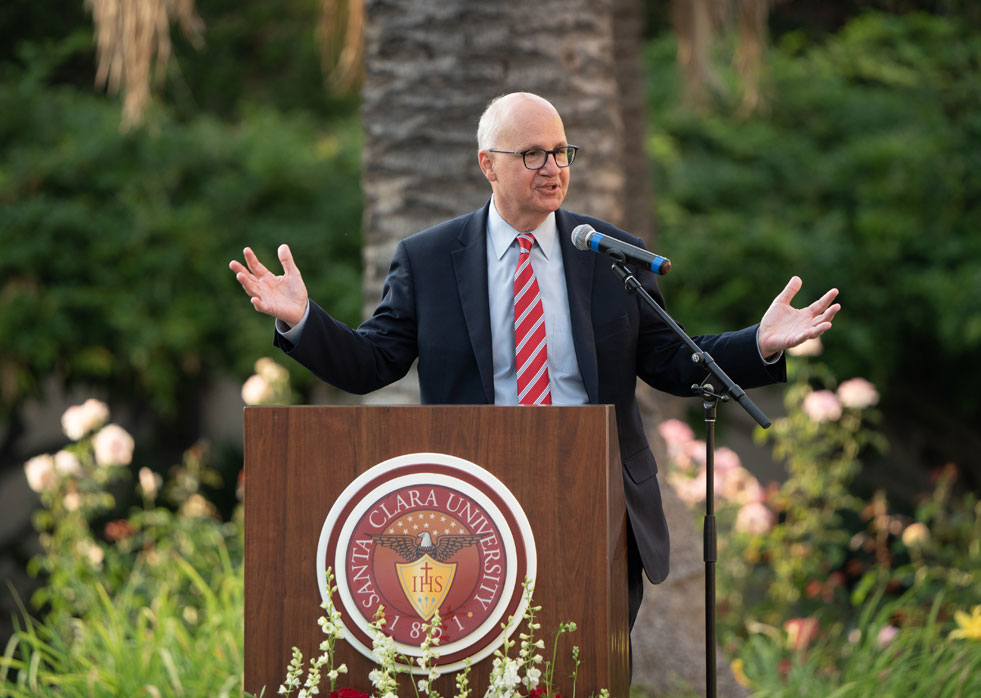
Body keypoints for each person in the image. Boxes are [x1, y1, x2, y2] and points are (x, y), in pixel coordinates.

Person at [230, 92, 840, 634]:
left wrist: (758, 341)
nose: (553, 168)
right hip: (475, 500)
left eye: (562, 151)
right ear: (487, 166)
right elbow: (372, 363)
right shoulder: (430, 259)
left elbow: (673, 361)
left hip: (595, 495)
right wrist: (303, 319)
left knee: (589, 662)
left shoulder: (606, 253)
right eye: (533, 154)